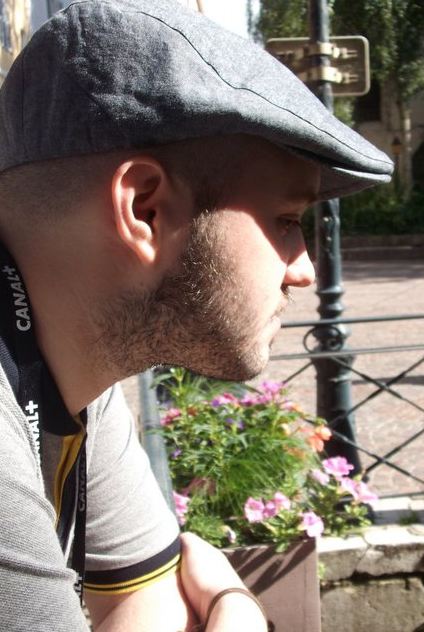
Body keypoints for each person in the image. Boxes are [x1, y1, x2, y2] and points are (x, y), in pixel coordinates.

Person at [0, 0, 392, 630]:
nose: (304, 270)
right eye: (286, 221)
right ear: (145, 210)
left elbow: (147, 603)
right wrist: (237, 608)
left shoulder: (72, 364)